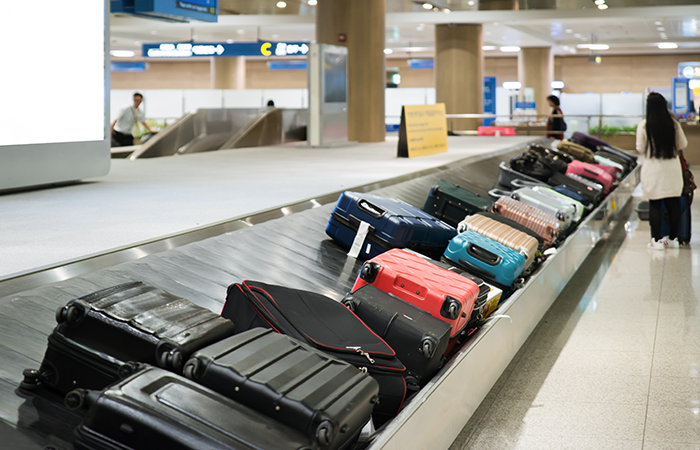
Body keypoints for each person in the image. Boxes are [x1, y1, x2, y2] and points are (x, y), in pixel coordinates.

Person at [636, 92, 688, 250]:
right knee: (673, 204)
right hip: (671, 168)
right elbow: (682, 144)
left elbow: (640, 148)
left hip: (653, 169)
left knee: (655, 205)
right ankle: (673, 239)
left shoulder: (644, 125)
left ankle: (656, 240)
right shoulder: (673, 124)